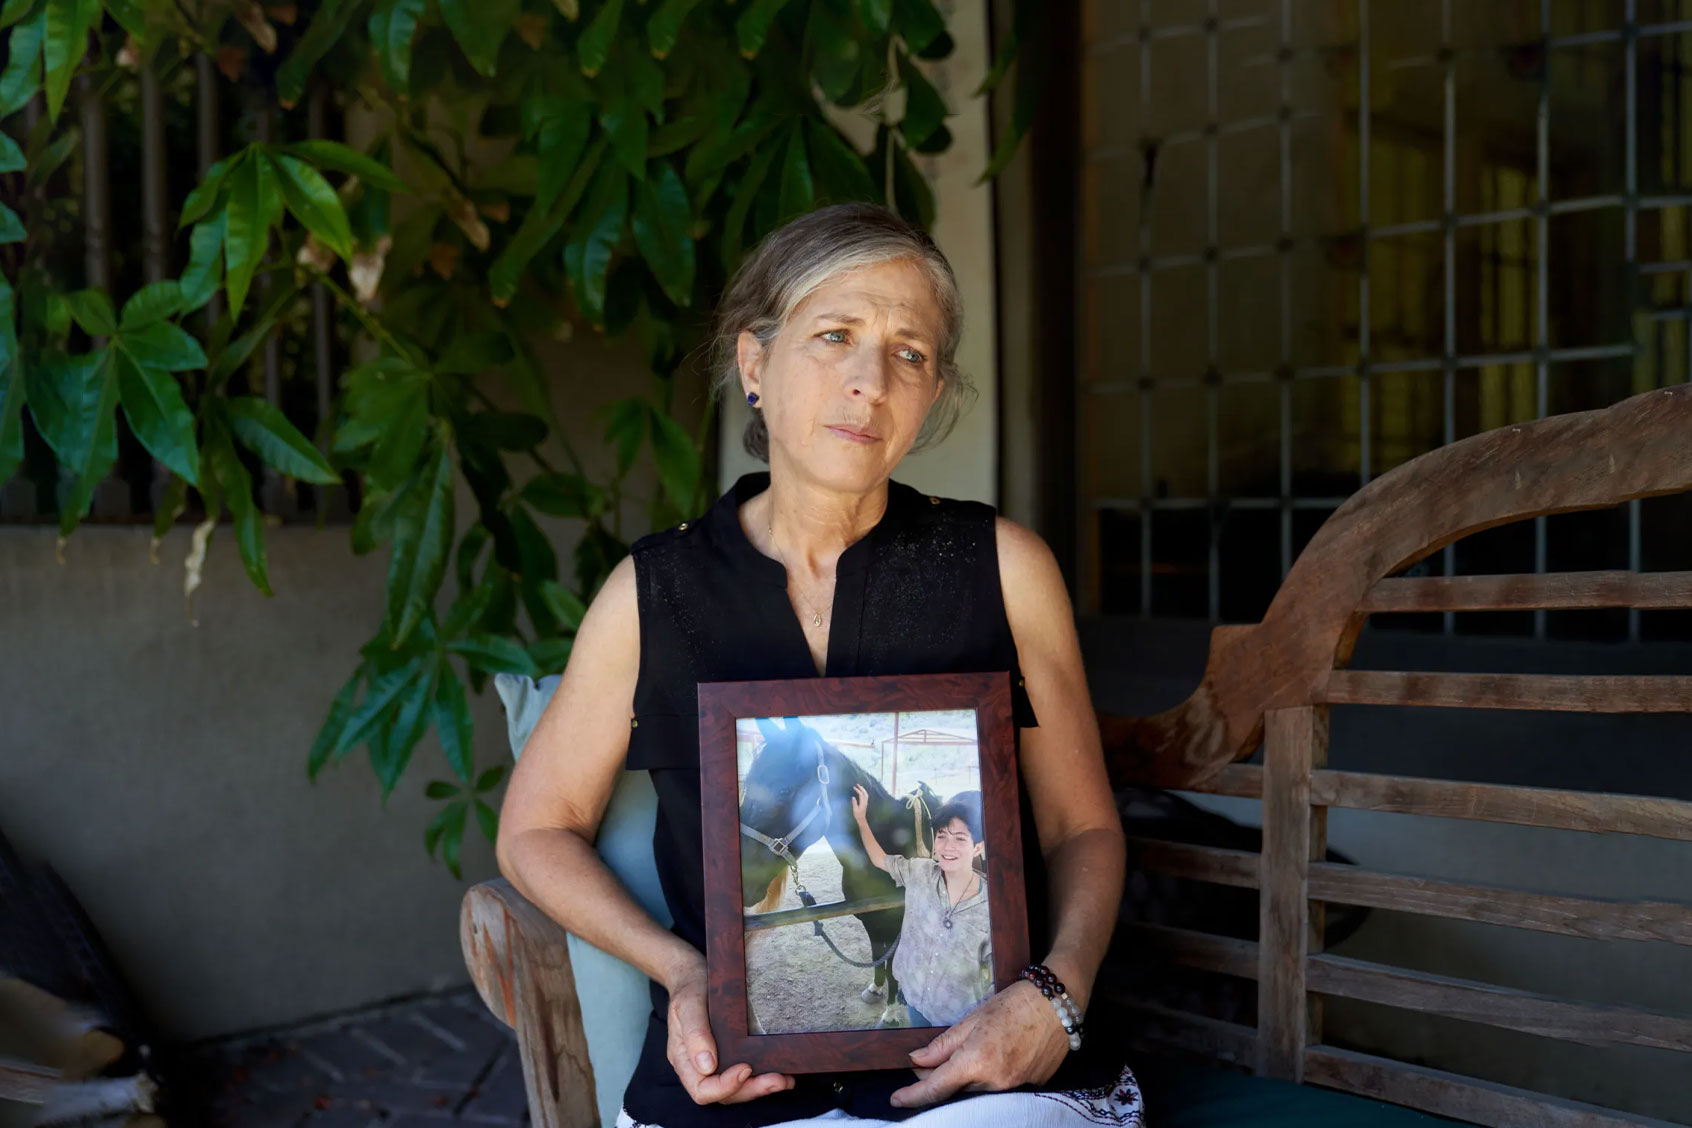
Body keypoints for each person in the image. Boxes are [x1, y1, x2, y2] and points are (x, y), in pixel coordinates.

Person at [497, 203, 1140, 1126]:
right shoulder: (655, 592)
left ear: (932, 393)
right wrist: (683, 973)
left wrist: (1056, 995)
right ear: (754, 365)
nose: (870, 382)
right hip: (732, 1079)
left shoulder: (1003, 568)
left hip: (984, 1074)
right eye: (834, 336)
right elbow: (534, 829)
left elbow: (1084, 828)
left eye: (909, 354)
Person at [850, 786, 992, 1029]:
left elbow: (997, 978)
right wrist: (861, 820)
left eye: (959, 839)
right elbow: (878, 858)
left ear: (977, 847)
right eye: (941, 836)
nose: (948, 847)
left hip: (960, 1019)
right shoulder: (919, 872)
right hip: (916, 1002)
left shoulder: (991, 906)